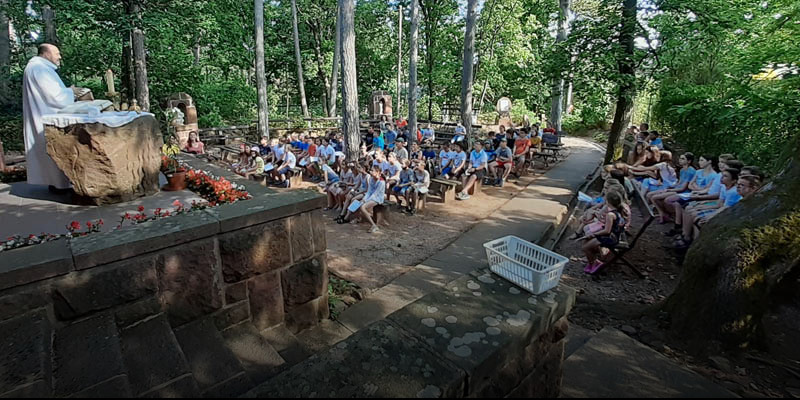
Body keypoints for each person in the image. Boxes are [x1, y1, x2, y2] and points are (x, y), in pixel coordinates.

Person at [23, 43, 78, 192]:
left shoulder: (38, 67)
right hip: (47, 116)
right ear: (46, 54)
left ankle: (56, 183)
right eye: (57, 53)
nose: (59, 56)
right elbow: (55, 97)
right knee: (54, 150)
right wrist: (72, 92)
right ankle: (59, 185)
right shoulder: (39, 68)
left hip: (43, 113)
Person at [581, 191, 627, 274]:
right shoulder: (616, 211)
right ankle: (593, 261)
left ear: (608, 201)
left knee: (585, 247)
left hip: (610, 238)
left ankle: (594, 263)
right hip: (609, 235)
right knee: (585, 242)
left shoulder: (610, 215)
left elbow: (607, 230)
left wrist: (594, 234)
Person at [646, 152, 696, 223]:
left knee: (654, 197)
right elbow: (679, 183)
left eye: (682, 159)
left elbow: (683, 188)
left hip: (682, 192)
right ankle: (662, 213)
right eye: (680, 158)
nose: (680, 160)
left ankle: (663, 214)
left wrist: (668, 190)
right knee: (649, 194)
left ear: (689, 161)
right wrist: (670, 187)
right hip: (676, 188)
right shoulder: (682, 170)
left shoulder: (691, 171)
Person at [356, 165, 386, 233]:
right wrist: (364, 199)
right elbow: (369, 191)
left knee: (362, 207)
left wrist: (366, 200)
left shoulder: (381, 182)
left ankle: (374, 225)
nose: (370, 171)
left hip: (378, 198)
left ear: (378, 172)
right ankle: (359, 218)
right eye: (371, 170)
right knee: (358, 202)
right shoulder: (371, 179)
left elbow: (375, 194)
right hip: (371, 197)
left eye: (372, 170)